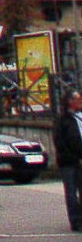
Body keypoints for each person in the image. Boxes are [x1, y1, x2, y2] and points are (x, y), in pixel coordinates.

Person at [54, 90, 82, 231]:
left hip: (80, 158)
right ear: (70, 101)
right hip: (69, 162)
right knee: (71, 192)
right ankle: (75, 221)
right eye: (77, 99)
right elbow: (60, 142)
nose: (80, 101)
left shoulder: (80, 116)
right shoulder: (62, 119)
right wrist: (74, 157)